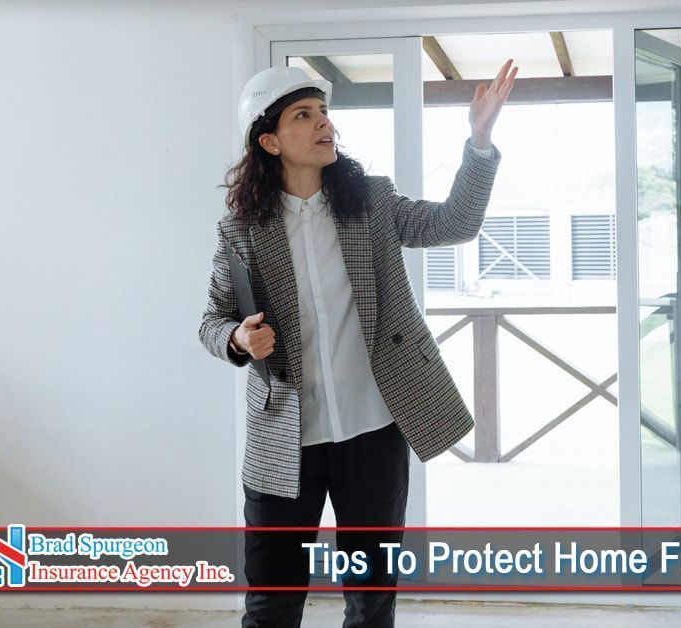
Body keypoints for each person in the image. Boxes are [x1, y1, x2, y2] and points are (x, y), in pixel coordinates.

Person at [199, 60, 517, 627]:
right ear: (269, 141)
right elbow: (212, 320)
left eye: (324, 112)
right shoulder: (242, 228)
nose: (324, 123)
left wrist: (481, 139)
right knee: (271, 602)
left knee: (371, 600)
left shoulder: (370, 202)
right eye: (304, 114)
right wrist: (238, 338)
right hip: (283, 438)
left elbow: (456, 224)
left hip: (374, 432)